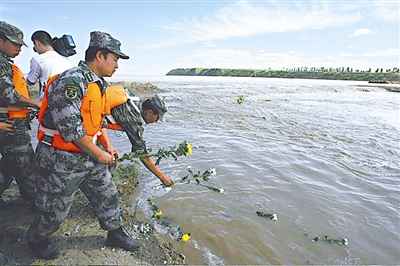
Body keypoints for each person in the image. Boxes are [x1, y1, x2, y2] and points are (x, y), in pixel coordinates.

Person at [27, 31, 172, 260]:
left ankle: (115, 232)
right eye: (115, 59)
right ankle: (37, 239)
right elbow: (71, 130)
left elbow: (95, 122)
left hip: (87, 155)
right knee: (55, 208)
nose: (117, 65)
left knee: (107, 194)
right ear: (100, 56)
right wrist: (100, 154)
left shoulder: (98, 84)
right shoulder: (73, 81)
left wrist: (103, 145)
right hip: (60, 158)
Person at [0, 21, 39, 201]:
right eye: (15, 44)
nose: (19, 49)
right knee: (25, 165)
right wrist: (37, 104)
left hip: (10, 122)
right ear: (1, 41)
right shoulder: (1, 64)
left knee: (10, 165)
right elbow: (10, 96)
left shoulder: (6, 64)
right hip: (10, 125)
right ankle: (37, 204)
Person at [26, 30, 73, 98]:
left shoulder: (38, 59)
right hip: (67, 101)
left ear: (37, 43)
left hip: (48, 103)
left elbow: (30, 81)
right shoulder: (66, 60)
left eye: (34, 45)